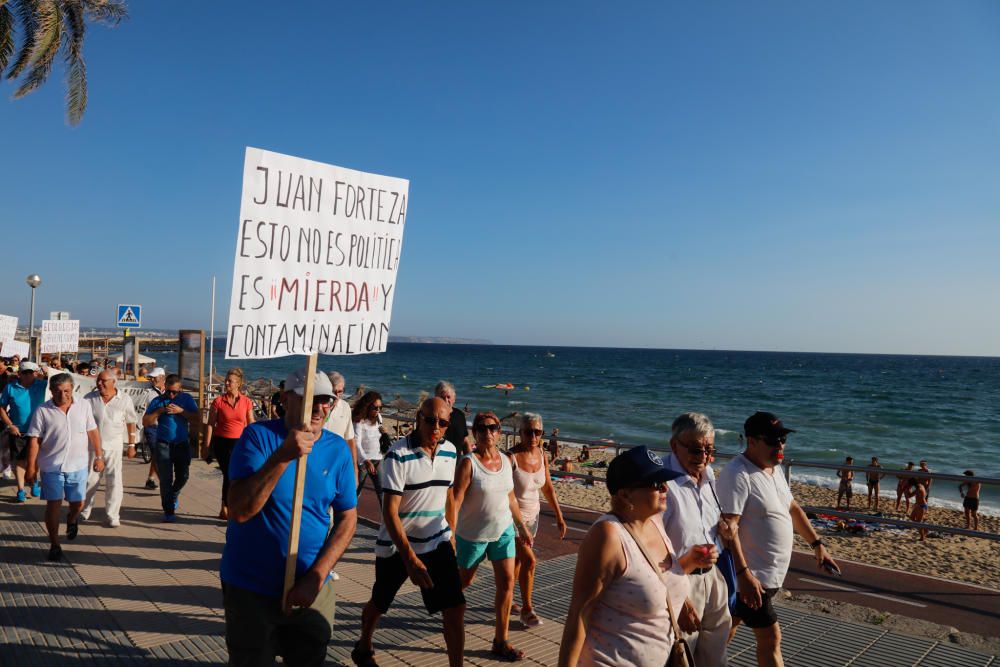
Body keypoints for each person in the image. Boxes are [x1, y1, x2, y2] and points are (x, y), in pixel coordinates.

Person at [221, 367, 357, 666]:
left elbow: (348, 517)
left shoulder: (337, 450)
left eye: (326, 400)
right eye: (310, 399)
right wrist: (282, 456)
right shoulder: (257, 437)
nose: (319, 408)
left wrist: (317, 577)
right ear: (285, 399)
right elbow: (240, 510)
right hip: (251, 587)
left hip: (311, 587)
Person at [559, 446, 714, 667]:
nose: (665, 488)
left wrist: (690, 562)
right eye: (656, 484)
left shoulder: (654, 521)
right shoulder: (608, 536)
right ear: (625, 495)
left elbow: (650, 579)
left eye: (665, 481)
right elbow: (579, 613)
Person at [717, 412, 840, 667]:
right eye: (772, 440)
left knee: (726, 629)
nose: (780, 445)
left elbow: (792, 507)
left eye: (783, 439)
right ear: (752, 441)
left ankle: (701, 659)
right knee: (770, 638)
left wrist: (817, 544)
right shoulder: (738, 474)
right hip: (751, 579)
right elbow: (728, 529)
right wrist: (743, 575)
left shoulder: (775, 470)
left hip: (766, 577)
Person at [353, 398, 466, 667]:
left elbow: (449, 496)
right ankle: (364, 644)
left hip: (436, 540)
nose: (436, 427)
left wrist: (451, 532)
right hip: (398, 543)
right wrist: (409, 559)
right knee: (381, 600)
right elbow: (390, 512)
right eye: (430, 420)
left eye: (442, 422)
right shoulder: (397, 455)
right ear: (418, 417)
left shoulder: (451, 452)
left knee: (455, 607)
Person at [450, 411, 534, 662]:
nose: (488, 432)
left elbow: (510, 497)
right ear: (475, 433)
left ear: (499, 433)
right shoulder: (469, 463)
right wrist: (450, 533)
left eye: (493, 428)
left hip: (503, 531)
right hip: (472, 535)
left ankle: (501, 641)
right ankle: (447, 607)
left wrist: (521, 526)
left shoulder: (506, 461)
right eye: (482, 428)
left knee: (507, 582)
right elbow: (455, 500)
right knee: (463, 583)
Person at [662, 412, 731, 666]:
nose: (703, 456)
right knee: (681, 658)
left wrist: (724, 531)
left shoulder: (708, 475)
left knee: (715, 658)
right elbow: (650, 547)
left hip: (712, 576)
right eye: (695, 449)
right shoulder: (661, 483)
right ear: (674, 445)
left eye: (709, 450)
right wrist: (677, 597)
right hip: (680, 579)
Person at [24, 373, 104, 561]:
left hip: (78, 465)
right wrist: (31, 467)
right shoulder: (42, 411)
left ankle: (72, 518)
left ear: (72, 389)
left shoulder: (83, 406)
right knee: (53, 505)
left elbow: (93, 431)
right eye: (58, 391)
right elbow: (34, 440)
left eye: (67, 391)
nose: (63, 395)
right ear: (51, 391)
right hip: (51, 466)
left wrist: (99, 456)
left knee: (78, 504)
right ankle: (54, 544)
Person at [508, 412, 567, 628]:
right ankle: (527, 610)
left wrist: (559, 515)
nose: (533, 436)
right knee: (530, 561)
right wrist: (519, 524)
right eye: (528, 432)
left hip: (533, 517)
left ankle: (507, 599)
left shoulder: (542, 454)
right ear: (520, 432)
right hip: (513, 519)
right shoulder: (511, 458)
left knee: (518, 562)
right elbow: (505, 493)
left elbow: (547, 487)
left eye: (538, 432)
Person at [80, 371, 138, 527]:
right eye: (98, 380)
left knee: (114, 482)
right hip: (92, 447)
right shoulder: (89, 399)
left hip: (114, 448)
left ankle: (113, 515)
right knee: (90, 480)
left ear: (113, 382)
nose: (99, 383)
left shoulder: (124, 399)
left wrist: (131, 445)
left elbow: (131, 422)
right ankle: (85, 511)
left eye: (103, 380)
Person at [142, 374, 199, 522]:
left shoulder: (186, 399)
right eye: (169, 391)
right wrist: (159, 411)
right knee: (166, 479)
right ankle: (169, 510)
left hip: (181, 444)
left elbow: (197, 419)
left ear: (181, 389)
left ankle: (173, 495)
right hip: (163, 444)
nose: (171, 395)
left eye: (175, 392)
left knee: (183, 476)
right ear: (165, 387)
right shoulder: (158, 401)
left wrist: (182, 412)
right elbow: (145, 422)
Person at [205, 368, 255, 521]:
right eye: (226, 380)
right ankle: (226, 507)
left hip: (240, 443)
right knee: (229, 474)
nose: (226, 383)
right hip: (222, 443)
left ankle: (226, 507)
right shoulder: (218, 401)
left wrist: (255, 444)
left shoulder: (246, 402)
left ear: (238, 384)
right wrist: (206, 447)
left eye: (230, 381)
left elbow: (251, 424)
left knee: (236, 475)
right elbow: (210, 424)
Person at [0, 361, 48, 502]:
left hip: (38, 431)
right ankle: (21, 489)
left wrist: (48, 373)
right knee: (20, 461)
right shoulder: (10, 387)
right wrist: (10, 425)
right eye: (24, 372)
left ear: (35, 373)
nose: (28, 375)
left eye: (30, 372)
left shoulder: (42, 385)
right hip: (18, 432)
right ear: (19, 373)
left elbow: (59, 384)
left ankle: (33, 481)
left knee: (35, 460)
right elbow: (1, 408)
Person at [351, 391, 387, 504]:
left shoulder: (379, 417)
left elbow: (377, 437)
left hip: (378, 459)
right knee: (355, 491)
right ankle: (348, 512)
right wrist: (366, 460)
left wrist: (384, 432)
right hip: (363, 462)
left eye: (380, 407)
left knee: (382, 492)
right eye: (375, 408)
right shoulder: (359, 421)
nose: (378, 410)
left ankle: (385, 515)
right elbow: (356, 442)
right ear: (367, 406)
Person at [323, 371, 358, 480]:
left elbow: (350, 439)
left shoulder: (345, 407)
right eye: (334, 391)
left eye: (340, 391)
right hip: (318, 458)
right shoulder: (317, 406)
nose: (337, 395)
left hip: (338, 462)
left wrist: (355, 468)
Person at [142, 367, 167, 490]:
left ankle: (150, 479)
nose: (152, 379)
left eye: (154, 377)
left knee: (157, 454)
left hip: (165, 427)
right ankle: (165, 484)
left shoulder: (170, 391)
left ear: (162, 377)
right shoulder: (147, 392)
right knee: (157, 454)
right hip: (151, 427)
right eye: (151, 377)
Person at [436, 380, 473, 455]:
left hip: (457, 460)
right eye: (442, 397)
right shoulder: (432, 416)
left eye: (448, 397)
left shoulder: (459, 415)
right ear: (436, 398)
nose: (446, 400)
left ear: (454, 399)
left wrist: (469, 459)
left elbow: (465, 440)